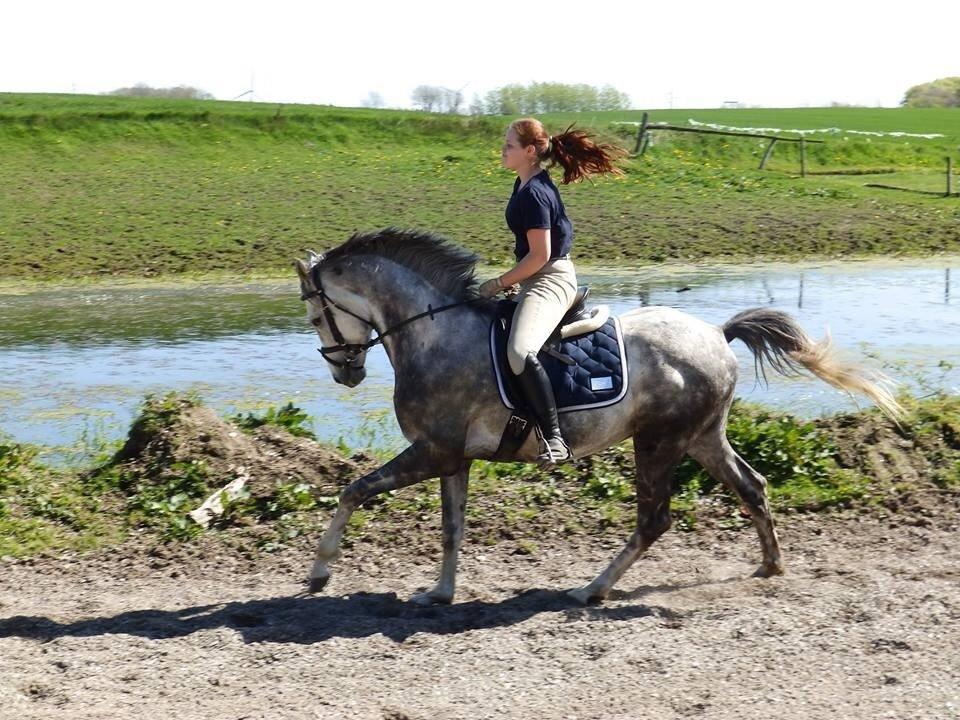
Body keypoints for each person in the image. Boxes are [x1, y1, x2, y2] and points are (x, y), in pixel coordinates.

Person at [478, 118, 625, 467]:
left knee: (518, 351)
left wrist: (500, 281)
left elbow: (541, 255)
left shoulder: (534, 193)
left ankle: (555, 439)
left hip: (550, 279)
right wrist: (517, 277)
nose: (503, 149)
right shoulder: (523, 183)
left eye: (510, 145)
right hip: (534, 277)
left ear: (530, 152)